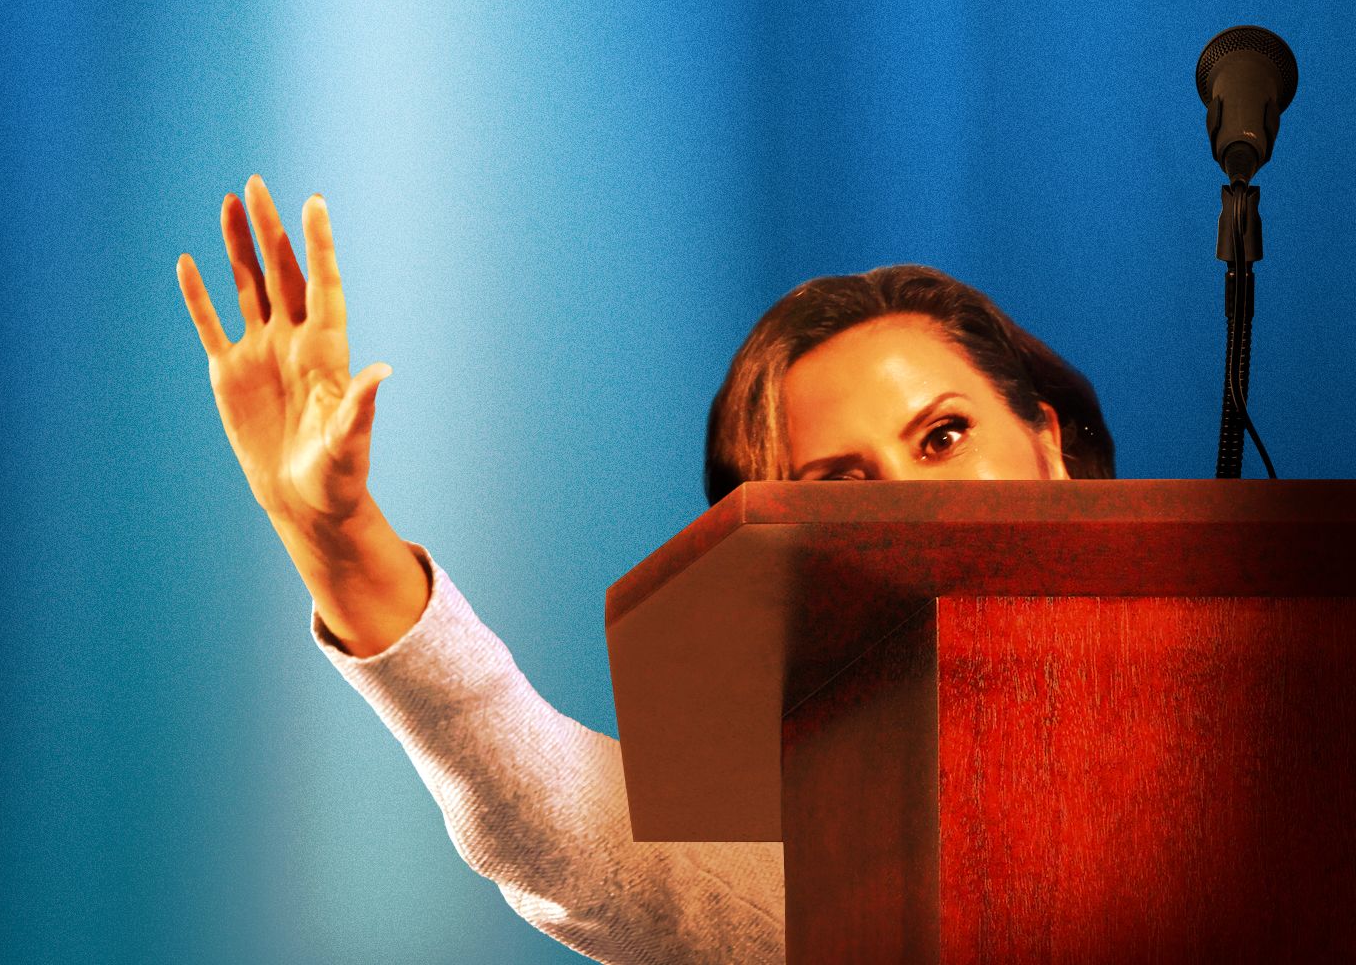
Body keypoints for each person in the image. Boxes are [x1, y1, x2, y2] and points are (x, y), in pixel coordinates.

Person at [175, 175, 1115, 964]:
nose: (913, 499)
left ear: (1047, 444)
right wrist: (336, 539)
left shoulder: (1258, 699)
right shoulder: (821, 883)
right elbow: (556, 819)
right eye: (842, 485)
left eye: (943, 436)